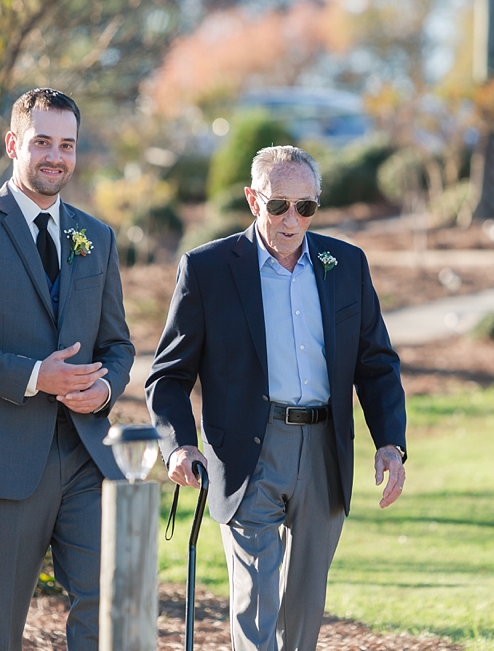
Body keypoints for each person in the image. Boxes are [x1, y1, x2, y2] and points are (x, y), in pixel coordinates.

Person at [145, 145, 407, 651]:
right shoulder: (207, 268)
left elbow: (376, 363)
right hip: (247, 453)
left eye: (305, 206)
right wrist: (178, 445)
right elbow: (169, 375)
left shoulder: (346, 264)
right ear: (252, 199)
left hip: (325, 451)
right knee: (257, 606)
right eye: (279, 205)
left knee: (304, 613)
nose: (292, 219)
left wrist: (390, 442)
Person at [0, 88, 134, 651]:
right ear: (14, 144)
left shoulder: (97, 237)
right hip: (2, 455)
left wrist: (107, 386)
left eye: (66, 145)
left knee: (107, 600)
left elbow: (118, 344)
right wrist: (37, 376)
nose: (55, 156)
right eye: (42, 142)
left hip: (86, 454)